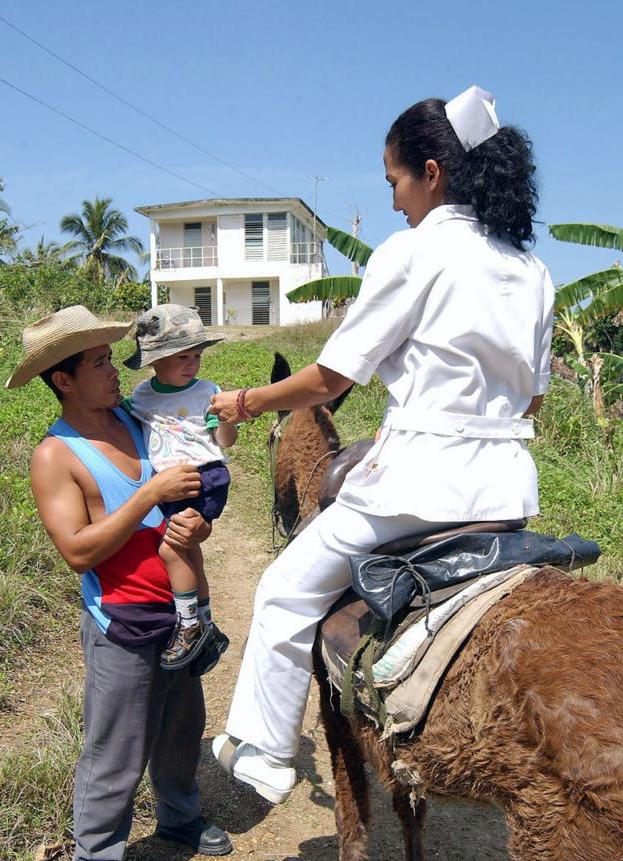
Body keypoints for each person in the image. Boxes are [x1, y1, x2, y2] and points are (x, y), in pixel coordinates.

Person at [208, 85, 554, 805]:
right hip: (510, 490)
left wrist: (247, 400)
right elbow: (534, 398)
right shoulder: (534, 271)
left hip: (419, 487)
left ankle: (267, 750)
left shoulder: (414, 252)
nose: (394, 200)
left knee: (281, 593)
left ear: (431, 172)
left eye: (395, 180)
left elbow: (332, 377)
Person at [7, 304, 232, 861]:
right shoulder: (57, 454)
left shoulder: (139, 421)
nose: (116, 372)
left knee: (183, 724)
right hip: (122, 618)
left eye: (110, 359)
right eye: (100, 363)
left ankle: (179, 815)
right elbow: (78, 548)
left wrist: (197, 520)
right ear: (64, 380)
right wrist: (147, 498)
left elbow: (191, 484)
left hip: (178, 607)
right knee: (116, 747)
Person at [121, 304, 237, 671]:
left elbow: (225, 440)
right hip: (171, 483)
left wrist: (229, 420)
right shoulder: (142, 396)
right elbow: (122, 417)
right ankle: (205, 621)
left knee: (172, 551)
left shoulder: (208, 392)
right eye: (181, 356)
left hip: (204, 475)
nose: (192, 364)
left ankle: (187, 625)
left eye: (196, 355)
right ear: (154, 361)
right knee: (187, 551)